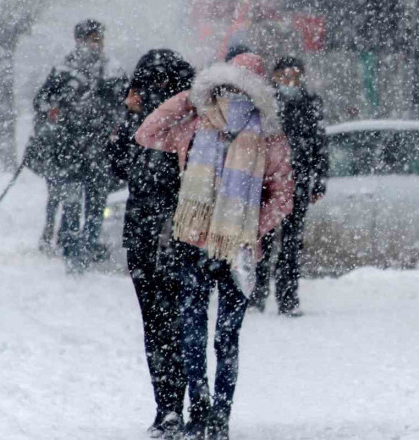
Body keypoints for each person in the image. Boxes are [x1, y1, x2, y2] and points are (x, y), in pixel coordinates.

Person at [136, 52, 294, 440]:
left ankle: (203, 412)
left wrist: (190, 98)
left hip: (201, 244)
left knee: (197, 331)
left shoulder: (197, 125)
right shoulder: (258, 134)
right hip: (231, 248)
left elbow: (148, 131)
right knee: (224, 336)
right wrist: (252, 227)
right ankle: (217, 415)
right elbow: (283, 198)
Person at [107, 49, 194, 439]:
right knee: (163, 324)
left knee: (167, 325)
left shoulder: (188, 121)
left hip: (173, 234)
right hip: (152, 235)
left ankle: (175, 404)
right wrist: (128, 115)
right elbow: (115, 166)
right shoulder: (143, 123)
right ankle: (171, 406)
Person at [32, 19, 127, 272]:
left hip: (99, 150)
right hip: (69, 150)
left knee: (96, 205)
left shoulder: (112, 70)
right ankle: (73, 251)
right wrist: (53, 110)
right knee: (72, 203)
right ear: (79, 40)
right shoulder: (63, 70)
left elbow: (125, 105)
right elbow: (41, 101)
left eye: (98, 39)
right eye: (91, 39)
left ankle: (87, 249)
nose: (96, 44)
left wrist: (116, 123)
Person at [250, 56, 328, 316]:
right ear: (275, 77)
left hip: (298, 181)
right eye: (284, 76)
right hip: (269, 182)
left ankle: (288, 297)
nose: (289, 81)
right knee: (264, 240)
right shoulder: (265, 104)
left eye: (294, 76)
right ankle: (257, 294)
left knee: (292, 244)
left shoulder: (310, 104)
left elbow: (319, 143)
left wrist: (318, 181)